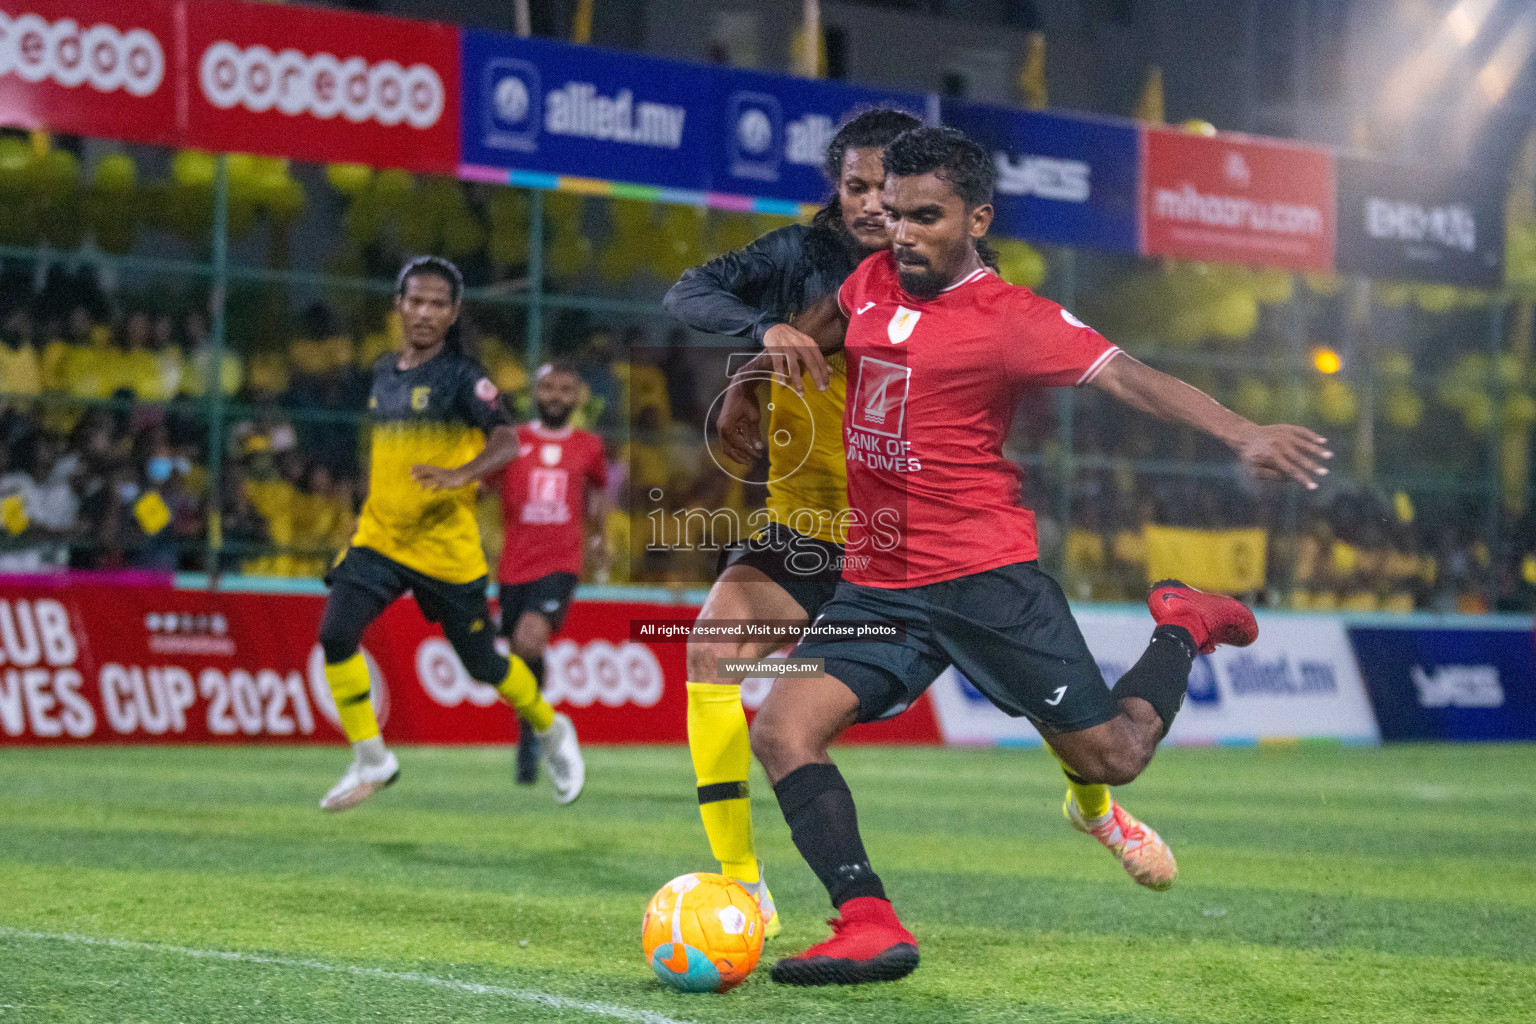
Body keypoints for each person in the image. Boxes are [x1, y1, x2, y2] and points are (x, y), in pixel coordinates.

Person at [739, 126, 1331, 986]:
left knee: (1113, 757)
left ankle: (1185, 626)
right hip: (879, 580)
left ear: (977, 219)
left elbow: (1131, 377)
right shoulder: (868, 279)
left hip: (984, 579)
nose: (901, 231)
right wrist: (769, 352)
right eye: (893, 212)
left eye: (926, 216)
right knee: (784, 730)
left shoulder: (1015, 319)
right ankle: (867, 922)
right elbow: (808, 333)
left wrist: (1244, 433)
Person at [662, 107, 925, 938]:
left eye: (889, 189)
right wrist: (760, 331)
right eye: (856, 187)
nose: (873, 205)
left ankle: (1095, 798)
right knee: (709, 651)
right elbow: (688, 292)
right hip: (803, 531)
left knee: (1055, 708)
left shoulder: (947, 273)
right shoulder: (792, 258)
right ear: (834, 189)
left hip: (910, 543)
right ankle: (742, 885)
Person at [315, 256, 584, 812]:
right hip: (380, 540)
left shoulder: (465, 380)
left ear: (453, 312)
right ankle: (372, 757)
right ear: (399, 305)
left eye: (437, 303)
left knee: (484, 664)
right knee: (336, 635)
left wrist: (460, 476)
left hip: (445, 551)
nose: (424, 312)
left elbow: (508, 442)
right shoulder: (383, 372)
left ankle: (551, 729)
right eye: (415, 300)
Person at [494, 359, 609, 784]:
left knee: (529, 636)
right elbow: (484, 488)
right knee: (519, 655)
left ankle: (531, 738)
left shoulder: (589, 446)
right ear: (534, 393)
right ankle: (534, 726)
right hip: (513, 566)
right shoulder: (512, 441)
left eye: (565, 389)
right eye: (548, 388)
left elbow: (598, 491)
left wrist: (600, 538)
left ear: (577, 396)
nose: (556, 397)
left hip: (561, 563)